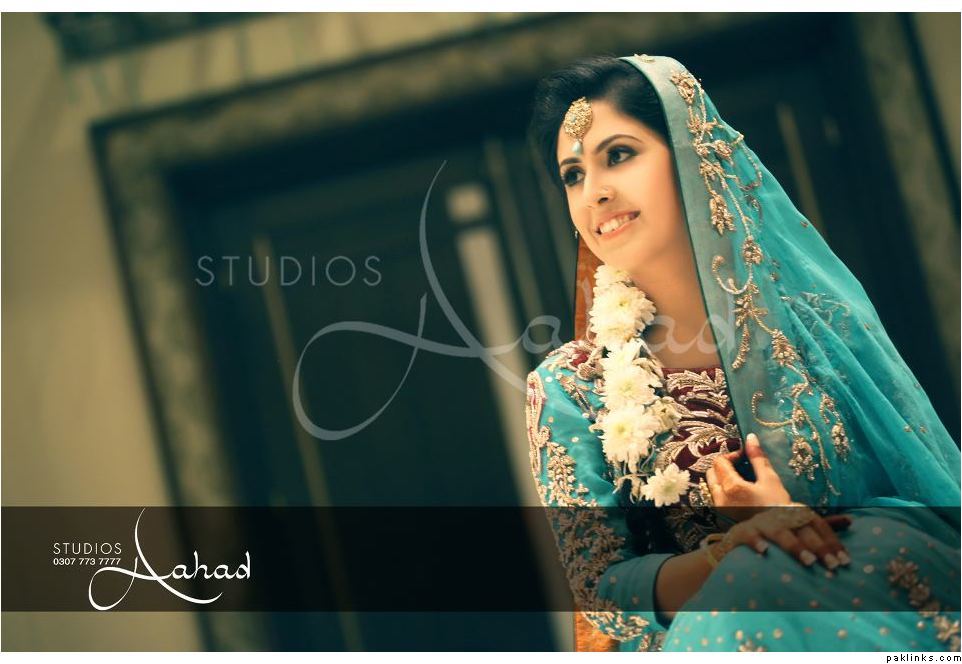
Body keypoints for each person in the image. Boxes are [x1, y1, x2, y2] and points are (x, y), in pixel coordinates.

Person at [524, 54, 961, 652]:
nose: (595, 192)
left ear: (691, 155)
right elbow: (603, 596)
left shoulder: (817, 327)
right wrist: (732, 551)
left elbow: (930, 497)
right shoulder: (569, 387)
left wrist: (796, 520)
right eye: (573, 175)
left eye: (618, 155)